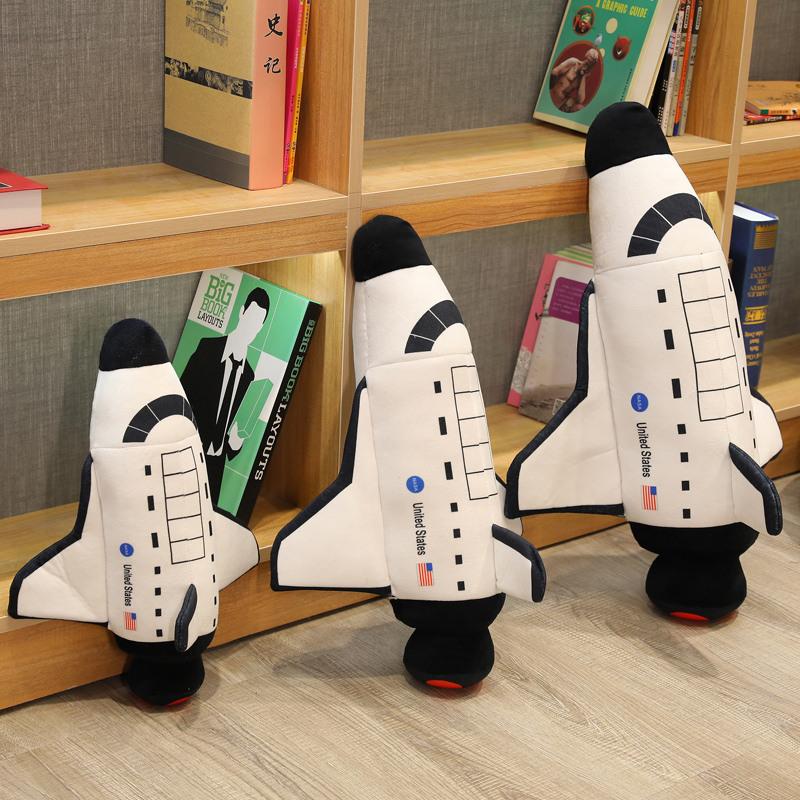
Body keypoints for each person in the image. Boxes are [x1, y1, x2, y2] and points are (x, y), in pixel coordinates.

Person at [181, 287, 270, 503]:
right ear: (241, 312)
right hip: (189, 458)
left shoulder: (249, 376)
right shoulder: (207, 348)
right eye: (250, 318)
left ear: (260, 328)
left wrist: (236, 442)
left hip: (217, 469)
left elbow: (232, 444)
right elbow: (181, 401)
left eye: (257, 324)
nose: (251, 328)